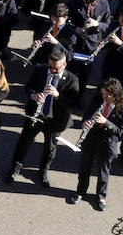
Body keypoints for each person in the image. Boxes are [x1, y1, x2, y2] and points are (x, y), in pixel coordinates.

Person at [7, 48, 81, 187]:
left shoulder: (72, 79)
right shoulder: (40, 71)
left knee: (50, 148)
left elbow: (74, 103)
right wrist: (33, 95)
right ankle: (15, 168)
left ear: (64, 65)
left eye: (56, 68)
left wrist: (58, 95)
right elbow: (28, 87)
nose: (52, 71)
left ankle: (43, 172)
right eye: (50, 67)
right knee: (24, 141)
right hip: (36, 114)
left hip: (55, 119)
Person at [68, 78, 123, 211]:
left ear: (116, 95)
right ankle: (80, 192)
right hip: (91, 140)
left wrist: (106, 122)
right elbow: (86, 114)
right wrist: (85, 122)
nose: (105, 97)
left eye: (108, 95)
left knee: (103, 172)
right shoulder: (97, 100)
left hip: (107, 144)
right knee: (85, 168)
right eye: (103, 94)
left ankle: (101, 196)